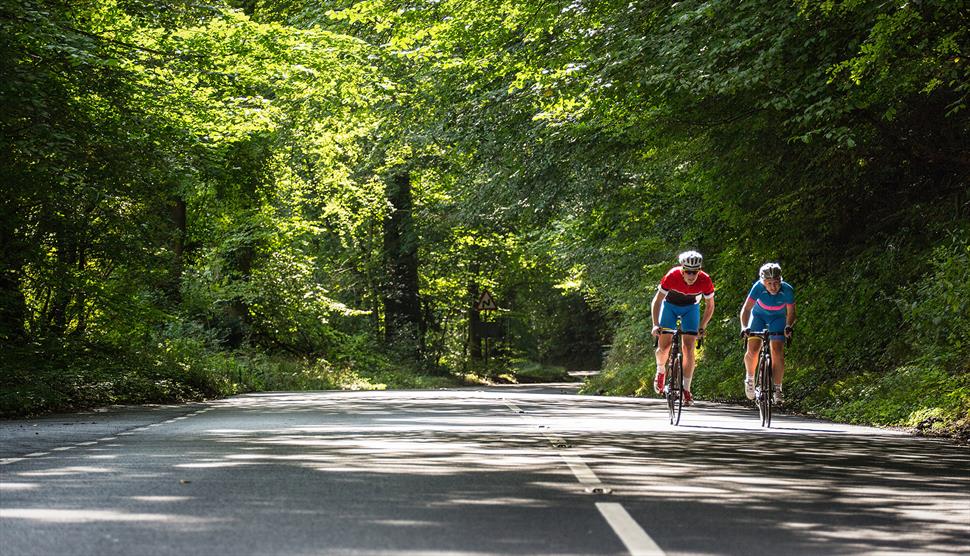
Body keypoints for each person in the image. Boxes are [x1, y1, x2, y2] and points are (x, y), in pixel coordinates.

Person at [650, 251, 716, 406]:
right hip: (670, 307)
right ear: (682, 270)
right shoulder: (672, 275)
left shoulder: (705, 280)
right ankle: (660, 370)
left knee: (688, 348)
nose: (692, 276)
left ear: (699, 270)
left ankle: (686, 389)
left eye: (695, 272)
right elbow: (657, 301)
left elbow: (710, 305)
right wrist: (655, 324)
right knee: (664, 347)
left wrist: (702, 326)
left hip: (690, 309)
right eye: (688, 272)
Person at [739, 263, 796, 404]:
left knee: (777, 350)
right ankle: (750, 378)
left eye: (776, 283)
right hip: (758, 316)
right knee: (753, 349)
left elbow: (791, 312)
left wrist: (788, 326)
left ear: (780, 281)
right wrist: (744, 327)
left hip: (777, 318)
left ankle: (778, 388)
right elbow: (746, 310)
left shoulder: (787, 290)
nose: (773, 287)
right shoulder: (758, 287)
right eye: (769, 283)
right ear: (763, 282)